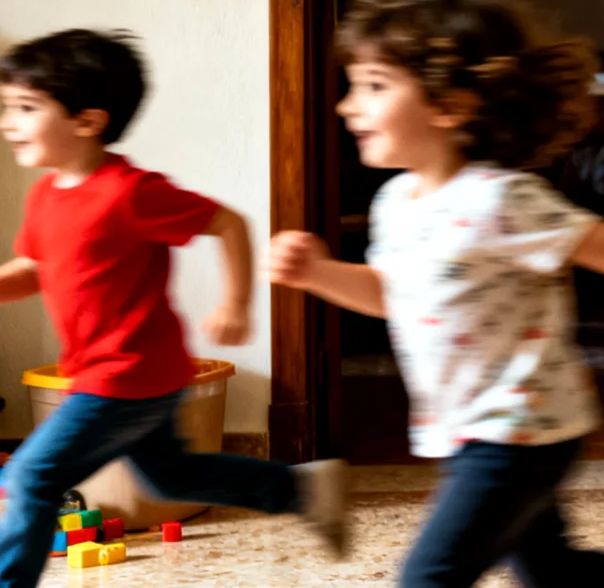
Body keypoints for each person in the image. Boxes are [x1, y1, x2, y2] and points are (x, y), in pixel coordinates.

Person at [269, 0, 604, 588]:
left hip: (518, 428)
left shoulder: (497, 197)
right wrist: (318, 274)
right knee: (550, 568)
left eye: (374, 86)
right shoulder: (395, 202)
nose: (348, 106)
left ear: (450, 104)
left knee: (430, 576)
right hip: (472, 427)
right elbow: (391, 293)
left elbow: (603, 243)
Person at [0, 30, 346, 586]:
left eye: (25, 108)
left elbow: (227, 222)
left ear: (87, 121)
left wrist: (236, 302)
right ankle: (298, 488)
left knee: (32, 478)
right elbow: (36, 272)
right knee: (169, 477)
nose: (7, 122)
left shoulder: (129, 192)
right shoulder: (45, 197)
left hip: (126, 373)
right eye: (6, 107)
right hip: (121, 375)